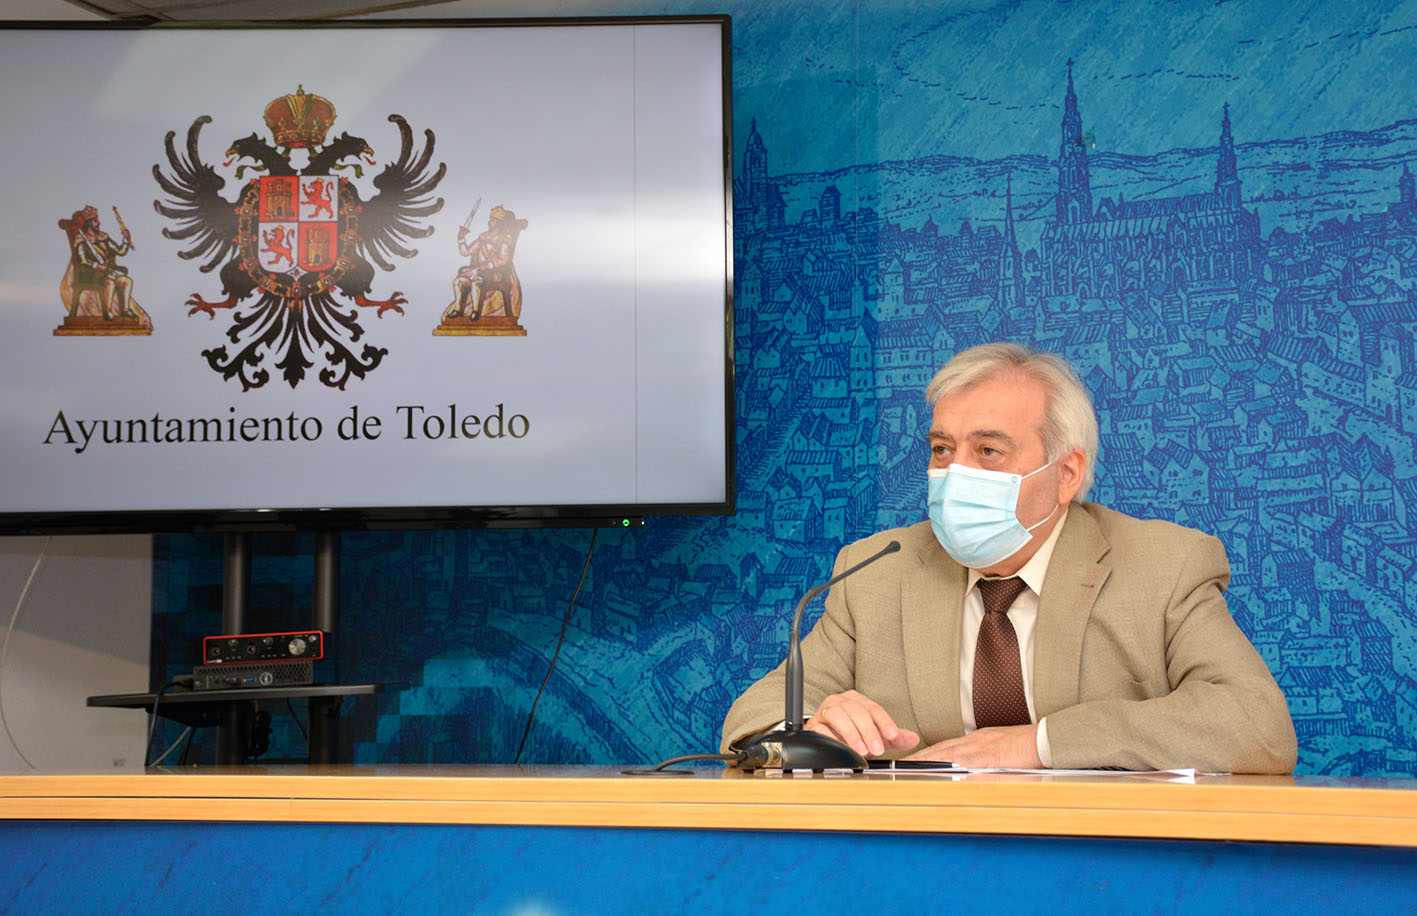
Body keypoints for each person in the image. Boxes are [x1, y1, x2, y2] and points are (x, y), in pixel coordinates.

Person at [721, 342, 1297, 773]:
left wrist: (1037, 743)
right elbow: (751, 720)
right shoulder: (877, 571)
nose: (955, 473)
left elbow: (1258, 724)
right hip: (916, 867)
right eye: (942, 449)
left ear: (1065, 474)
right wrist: (809, 734)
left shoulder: (1163, 567)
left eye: (988, 450)